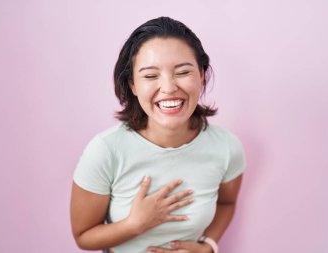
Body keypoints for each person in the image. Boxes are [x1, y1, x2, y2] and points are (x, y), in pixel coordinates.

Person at [70, 16, 247, 253]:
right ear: (132, 84)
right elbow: (83, 236)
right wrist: (135, 224)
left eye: (183, 72)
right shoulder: (105, 150)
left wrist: (209, 247)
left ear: (202, 74)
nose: (169, 87)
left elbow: (226, 203)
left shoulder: (227, 147)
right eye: (151, 76)